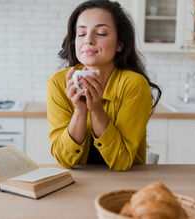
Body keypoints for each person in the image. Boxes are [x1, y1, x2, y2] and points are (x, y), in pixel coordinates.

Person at [47, 0, 161, 171]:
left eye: (101, 33)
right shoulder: (58, 83)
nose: (89, 40)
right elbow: (65, 160)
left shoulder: (134, 85)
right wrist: (79, 111)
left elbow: (122, 161)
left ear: (120, 44)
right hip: (76, 185)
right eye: (81, 33)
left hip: (125, 184)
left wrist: (96, 110)